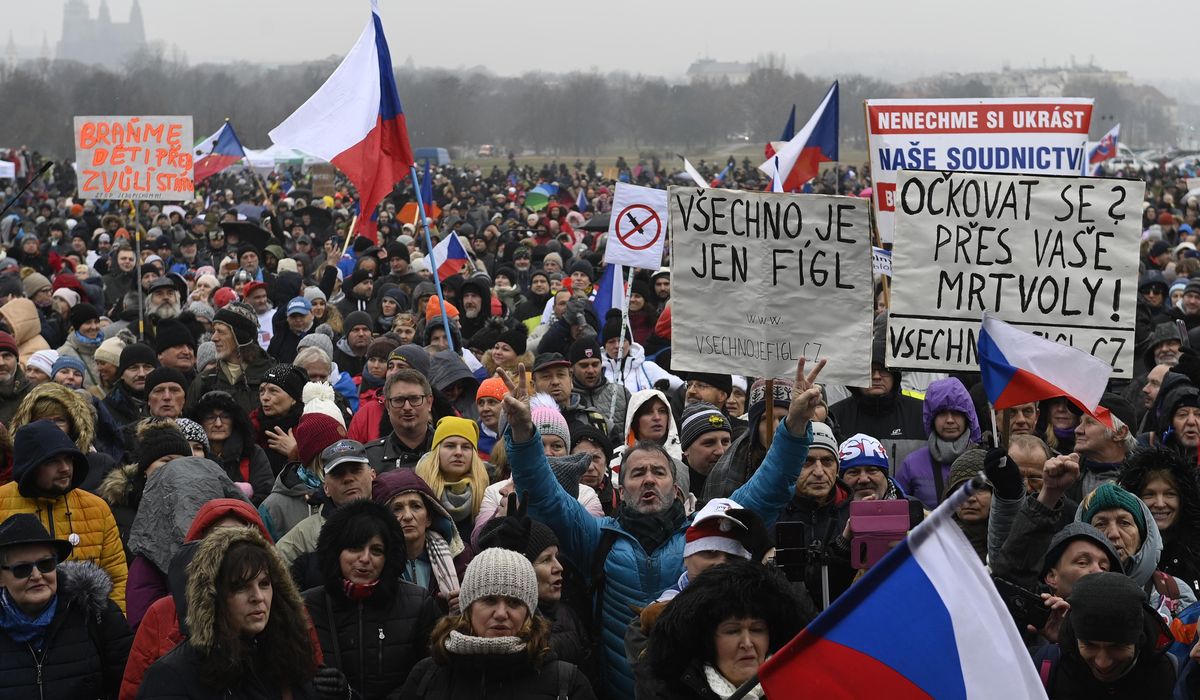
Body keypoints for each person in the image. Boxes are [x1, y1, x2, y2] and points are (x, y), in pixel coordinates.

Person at [505, 357, 826, 698]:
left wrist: (794, 424)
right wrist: (524, 434)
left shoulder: (705, 535)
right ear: (620, 487)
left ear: (676, 488)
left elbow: (769, 487)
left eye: (658, 472)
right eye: (637, 473)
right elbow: (545, 494)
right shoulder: (597, 537)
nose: (648, 480)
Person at [119, 498, 275, 700]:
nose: (231, 550)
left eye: (242, 539)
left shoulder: (284, 637)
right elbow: (133, 689)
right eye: (219, 541)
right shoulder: (161, 614)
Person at [137, 526, 318, 699]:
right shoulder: (171, 676)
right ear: (213, 596)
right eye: (241, 587)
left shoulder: (287, 657)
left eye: (264, 584)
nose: (258, 597)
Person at [397, 546, 596, 699]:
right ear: (468, 608)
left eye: (514, 602)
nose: (501, 613)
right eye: (489, 600)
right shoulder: (427, 677)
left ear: (529, 613)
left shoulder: (568, 683)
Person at [303, 499, 441, 700]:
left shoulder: (418, 603)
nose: (365, 558)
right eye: (355, 548)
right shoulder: (306, 607)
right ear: (336, 552)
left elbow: (430, 677)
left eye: (376, 550)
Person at [0, 513, 132, 699]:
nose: (37, 575)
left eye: (45, 564)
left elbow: (129, 685)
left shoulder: (96, 612)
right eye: (22, 569)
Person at [0, 419, 127, 612]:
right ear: (31, 464)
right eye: (52, 461)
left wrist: (113, 628)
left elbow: (117, 578)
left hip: (86, 628)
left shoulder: (96, 507)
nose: (65, 468)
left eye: (68, 459)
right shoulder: (2, 502)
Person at [646, 560, 809, 700]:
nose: (747, 643)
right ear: (707, 640)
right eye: (732, 631)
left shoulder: (800, 691)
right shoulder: (671, 694)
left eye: (757, 629)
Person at [1034, 572, 1176, 698]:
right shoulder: (1047, 668)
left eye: (1118, 646)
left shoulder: (1170, 676)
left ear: (1140, 639)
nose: (1103, 663)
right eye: (1089, 645)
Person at [372, 469, 470, 613]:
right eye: (397, 509)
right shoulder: (373, 563)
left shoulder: (460, 557)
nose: (407, 516)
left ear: (429, 518)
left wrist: (468, 601)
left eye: (416, 506)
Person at [276, 439, 377, 571]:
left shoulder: (395, 519)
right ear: (326, 488)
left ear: (373, 474)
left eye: (356, 470)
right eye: (338, 474)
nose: (348, 478)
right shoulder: (302, 538)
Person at [1119, 446, 1200, 593]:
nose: (1160, 504)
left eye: (1170, 494)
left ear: (1184, 499)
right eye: (1149, 494)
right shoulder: (1121, 550)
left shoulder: (1195, 554)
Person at [894, 377, 981, 509]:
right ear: (931, 419)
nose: (950, 420)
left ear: (968, 418)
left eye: (956, 413)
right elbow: (898, 509)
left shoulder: (983, 461)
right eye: (942, 413)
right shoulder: (912, 464)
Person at [186, 301, 274, 417]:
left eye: (221, 332)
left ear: (240, 337)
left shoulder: (272, 379)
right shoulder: (205, 381)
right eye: (214, 331)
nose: (214, 338)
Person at [414, 416, 491, 541]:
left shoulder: (489, 491)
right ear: (437, 451)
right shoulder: (418, 489)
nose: (458, 452)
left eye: (466, 447)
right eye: (450, 446)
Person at [190, 390, 273, 504]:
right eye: (210, 417)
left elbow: (265, 494)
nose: (218, 424)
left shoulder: (252, 452)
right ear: (200, 421)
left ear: (235, 420)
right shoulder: (192, 453)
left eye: (225, 417)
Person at [365, 369, 435, 473]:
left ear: (429, 402)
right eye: (399, 400)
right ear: (387, 406)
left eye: (415, 399)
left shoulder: (448, 450)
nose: (407, 407)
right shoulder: (369, 458)